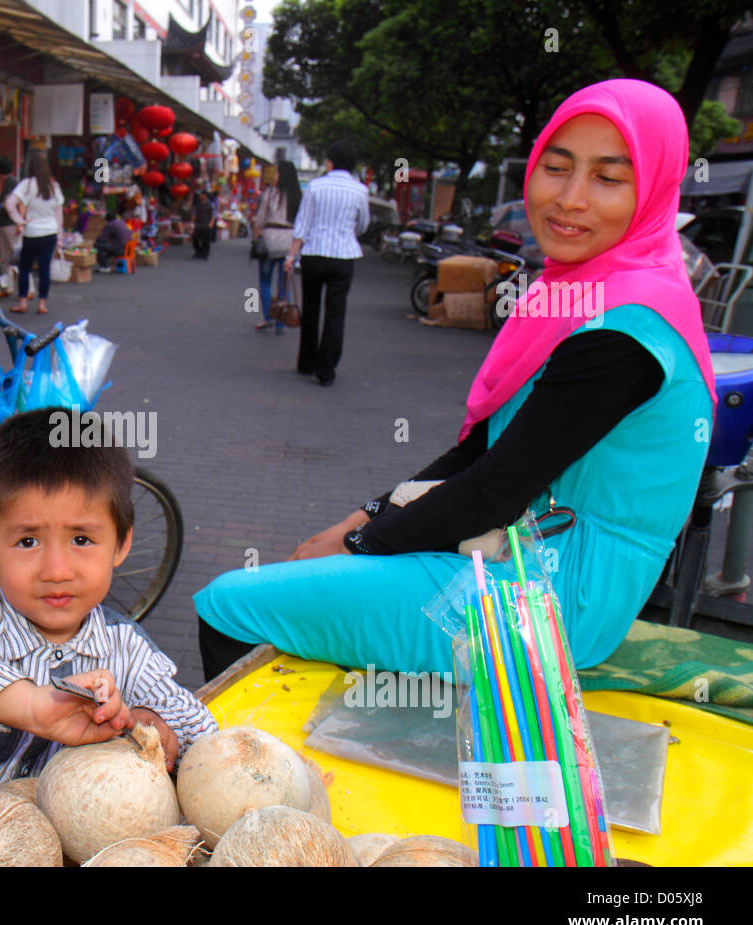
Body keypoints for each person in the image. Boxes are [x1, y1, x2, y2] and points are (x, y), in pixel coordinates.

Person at [194, 79, 716, 687]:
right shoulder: (585, 294)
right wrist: (359, 520)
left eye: (608, 178)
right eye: (557, 167)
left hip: (546, 604)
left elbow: (494, 486)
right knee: (313, 583)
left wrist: (361, 545)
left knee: (229, 605)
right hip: (515, 555)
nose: (571, 198)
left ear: (652, 192)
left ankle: (252, 781)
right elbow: (478, 452)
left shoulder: (626, 330)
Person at [0, 407, 218, 861]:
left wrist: (152, 728)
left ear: (121, 543)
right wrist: (27, 704)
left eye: (82, 539)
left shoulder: (126, 650)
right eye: (27, 542)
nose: (57, 571)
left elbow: (202, 734)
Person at [285, 140, 369, 386]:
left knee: (311, 309)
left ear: (330, 161)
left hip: (314, 254)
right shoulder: (360, 191)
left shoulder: (315, 186)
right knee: (336, 312)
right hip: (344, 256)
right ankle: (327, 368)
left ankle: (306, 362)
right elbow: (363, 224)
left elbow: (302, 225)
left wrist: (291, 256)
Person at [6, 150, 63, 316]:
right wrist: (59, 238)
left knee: (25, 268)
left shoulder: (27, 184)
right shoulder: (54, 186)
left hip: (32, 232)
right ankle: (42, 304)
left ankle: (23, 302)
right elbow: (59, 215)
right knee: (45, 269)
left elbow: (10, 203)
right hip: (50, 231)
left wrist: (20, 221)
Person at [252, 160, 302, 333]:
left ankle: (268, 317)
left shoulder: (271, 193)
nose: (275, 175)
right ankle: (281, 321)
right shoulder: (298, 195)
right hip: (289, 243)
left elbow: (260, 218)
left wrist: (256, 233)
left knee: (265, 281)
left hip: (270, 241)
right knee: (284, 284)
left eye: (277, 172)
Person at [0, 155, 18, 297]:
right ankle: (6, 287)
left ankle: (28, 289)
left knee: (15, 257)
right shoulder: (10, 183)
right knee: (5, 258)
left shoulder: (11, 184)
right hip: (6, 224)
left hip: (10, 224)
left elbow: (7, 205)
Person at [191, 186, 215, 260]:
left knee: (206, 240)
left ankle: (205, 253)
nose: (200, 196)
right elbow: (194, 213)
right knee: (195, 239)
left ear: (205, 196)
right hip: (198, 224)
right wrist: (192, 222)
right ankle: (198, 251)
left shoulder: (210, 204)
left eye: (201, 194)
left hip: (206, 224)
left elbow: (213, 215)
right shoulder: (198, 203)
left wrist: (211, 223)